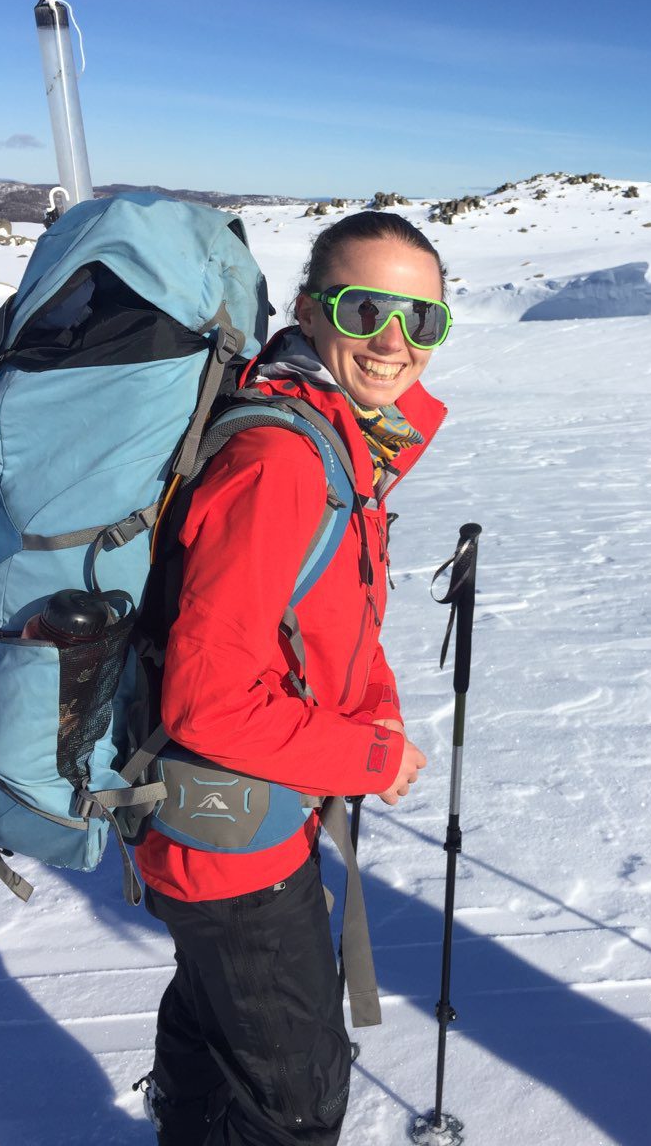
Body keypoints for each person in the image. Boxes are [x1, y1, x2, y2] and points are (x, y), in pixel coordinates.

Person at [134, 210, 450, 1145]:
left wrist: (376, 722)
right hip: (232, 842)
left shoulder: (344, 438)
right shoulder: (281, 459)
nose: (395, 344)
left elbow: (334, 622)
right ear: (313, 312)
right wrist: (364, 756)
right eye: (365, 311)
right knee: (296, 1107)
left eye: (422, 320)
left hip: (247, 816)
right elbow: (210, 697)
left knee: (210, 1024)